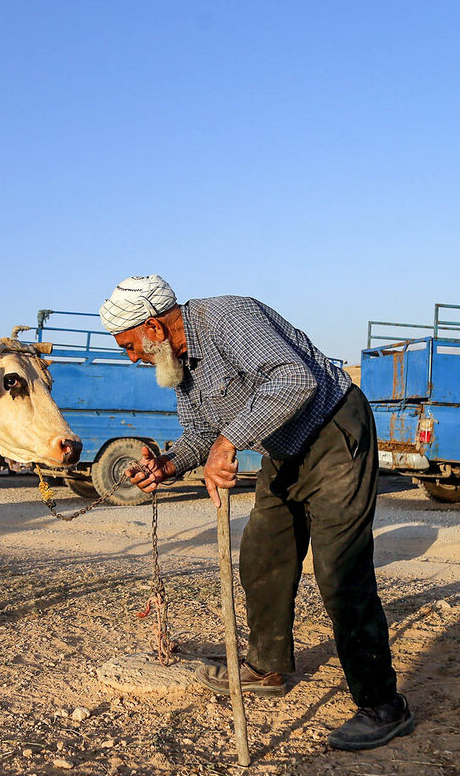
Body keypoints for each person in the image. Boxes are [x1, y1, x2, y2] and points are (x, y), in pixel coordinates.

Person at [98, 275, 412, 751]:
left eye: (129, 345)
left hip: (332, 434)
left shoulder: (227, 317)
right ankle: (266, 666)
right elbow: (202, 433)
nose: (132, 358)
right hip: (284, 452)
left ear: (155, 329)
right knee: (263, 554)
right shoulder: (181, 365)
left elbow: (294, 379)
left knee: (339, 570)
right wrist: (168, 463)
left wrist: (228, 443)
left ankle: (383, 704)